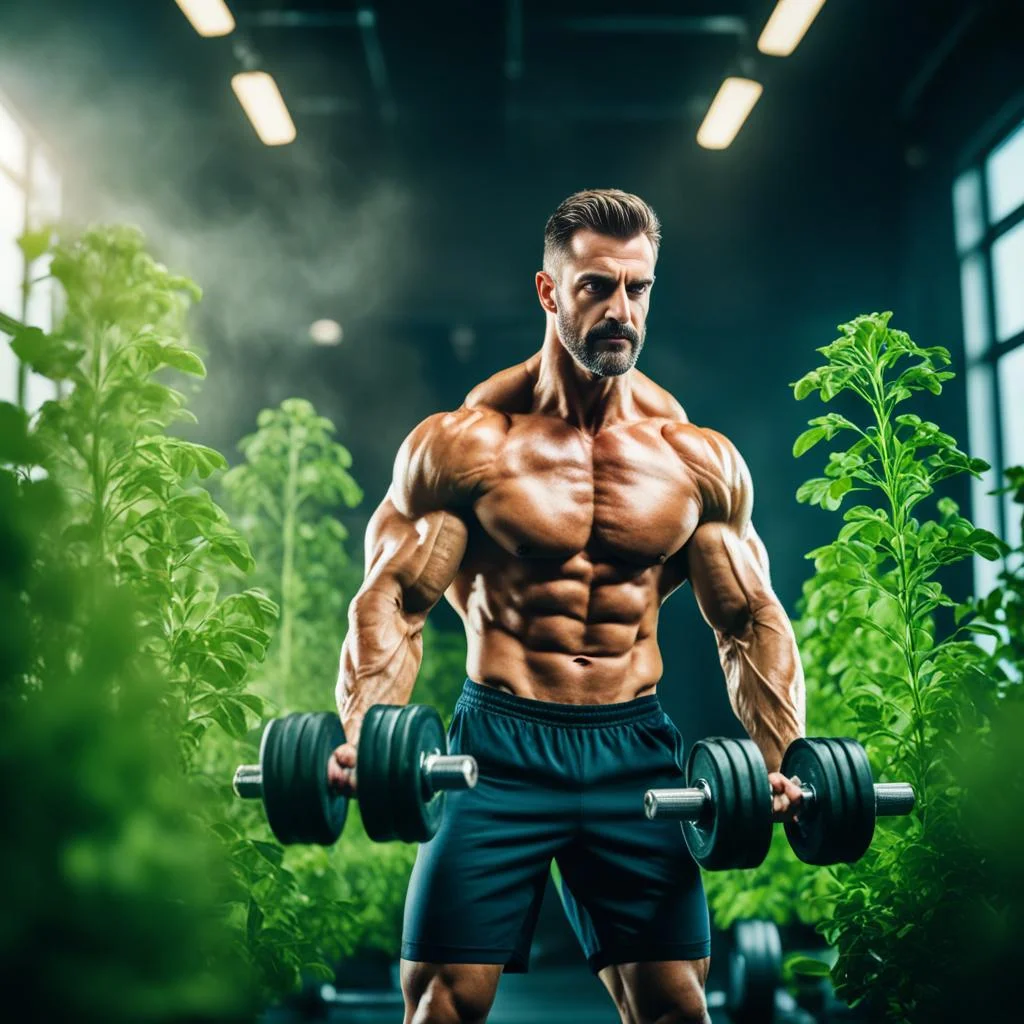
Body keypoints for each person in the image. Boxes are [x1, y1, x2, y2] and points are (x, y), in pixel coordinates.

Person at [327, 188, 806, 1024]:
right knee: (441, 1003)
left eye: (638, 288)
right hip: (497, 752)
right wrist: (369, 733)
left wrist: (785, 758)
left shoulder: (692, 457)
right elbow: (394, 600)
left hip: (633, 749)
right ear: (549, 292)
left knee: (677, 1008)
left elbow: (747, 618)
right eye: (596, 287)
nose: (621, 310)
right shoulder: (469, 443)